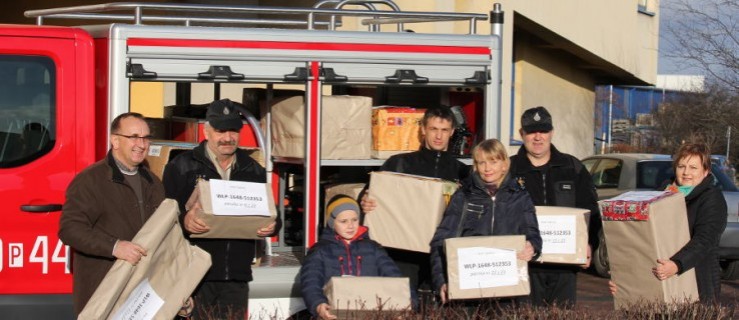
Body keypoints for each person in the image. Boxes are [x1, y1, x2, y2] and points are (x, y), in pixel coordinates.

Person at [162, 99, 280, 319]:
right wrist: (184, 220)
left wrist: (273, 225)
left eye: (233, 130)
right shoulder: (182, 166)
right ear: (206, 131)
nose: (228, 137)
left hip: (236, 277)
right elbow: (163, 215)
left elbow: (272, 212)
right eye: (220, 130)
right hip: (194, 276)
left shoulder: (253, 169)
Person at [59, 112, 165, 314]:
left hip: (143, 293)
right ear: (115, 140)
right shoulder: (90, 180)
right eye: (133, 137)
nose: (141, 144)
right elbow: (70, 229)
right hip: (105, 290)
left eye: (145, 137)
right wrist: (114, 247)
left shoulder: (153, 182)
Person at [360, 106, 470, 300]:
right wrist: (365, 201)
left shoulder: (462, 172)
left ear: (452, 132)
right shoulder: (399, 164)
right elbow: (371, 193)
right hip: (402, 255)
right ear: (423, 129)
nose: (438, 136)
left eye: (444, 130)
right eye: (434, 129)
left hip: (441, 256)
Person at [610, 142, 727, 303]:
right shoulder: (661, 194)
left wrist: (677, 264)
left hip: (696, 282)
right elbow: (642, 240)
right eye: (681, 166)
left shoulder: (711, 198)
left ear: (705, 171)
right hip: (657, 280)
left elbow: (705, 240)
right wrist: (624, 280)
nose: (686, 173)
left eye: (693, 168)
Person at [429, 138, 542, 304]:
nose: (487, 168)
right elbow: (440, 242)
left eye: (493, 162)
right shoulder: (463, 196)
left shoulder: (520, 197)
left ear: (504, 164)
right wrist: (441, 282)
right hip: (468, 293)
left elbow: (534, 235)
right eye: (481, 163)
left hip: (508, 295)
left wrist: (532, 247)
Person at [508, 106, 601, 307]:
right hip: (524, 266)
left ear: (552, 132)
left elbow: (591, 211)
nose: (538, 137)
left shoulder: (572, 167)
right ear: (522, 134)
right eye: (532, 131)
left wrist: (590, 243)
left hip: (564, 267)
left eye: (543, 130)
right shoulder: (509, 170)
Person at [300, 196, 408, 319]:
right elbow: (310, 282)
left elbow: (396, 279)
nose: (350, 226)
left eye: (354, 220)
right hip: (334, 314)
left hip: (370, 314)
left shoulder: (373, 248)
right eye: (344, 221)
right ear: (332, 222)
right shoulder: (320, 250)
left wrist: (407, 305)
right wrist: (318, 305)